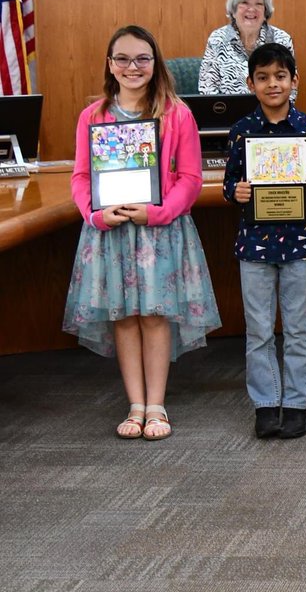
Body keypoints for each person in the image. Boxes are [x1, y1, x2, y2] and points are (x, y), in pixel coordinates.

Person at [63, 25, 222, 440]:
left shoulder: (176, 113)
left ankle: (157, 405)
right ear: (110, 65)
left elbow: (190, 177)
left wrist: (159, 212)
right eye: (123, 59)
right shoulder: (93, 116)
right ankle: (135, 404)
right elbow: (81, 178)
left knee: (154, 317)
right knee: (124, 317)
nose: (133, 67)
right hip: (111, 232)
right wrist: (95, 216)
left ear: (155, 64)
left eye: (142, 59)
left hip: (159, 231)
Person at [223, 42, 306, 440]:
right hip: (254, 246)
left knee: (299, 328)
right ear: (250, 82)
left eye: (281, 76)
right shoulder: (240, 132)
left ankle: (297, 403)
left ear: (294, 81)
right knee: (258, 329)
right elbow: (228, 184)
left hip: (299, 244)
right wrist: (235, 192)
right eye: (264, 77)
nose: (273, 84)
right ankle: (266, 404)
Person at [199, 0, 295, 95]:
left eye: (259, 4)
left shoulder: (281, 39)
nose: (251, 9)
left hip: (272, 112)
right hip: (229, 112)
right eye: (244, 3)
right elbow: (207, 89)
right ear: (233, 10)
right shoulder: (217, 39)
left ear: (265, 12)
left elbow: (290, 88)